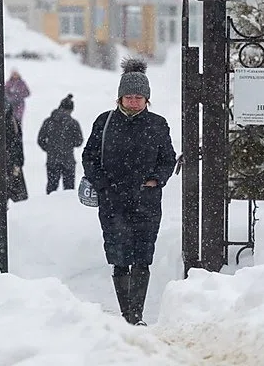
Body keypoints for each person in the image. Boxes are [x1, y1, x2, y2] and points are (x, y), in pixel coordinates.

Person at [81, 58, 177, 326]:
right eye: (129, 96)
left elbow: (168, 159)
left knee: (142, 258)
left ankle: (137, 315)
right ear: (119, 98)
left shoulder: (157, 124)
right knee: (119, 257)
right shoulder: (105, 122)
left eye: (139, 97)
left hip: (146, 201)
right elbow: (89, 156)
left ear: (147, 99)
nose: (134, 101)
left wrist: (156, 180)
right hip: (112, 201)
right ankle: (127, 315)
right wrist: (101, 184)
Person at [37, 94, 84, 194]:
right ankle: (67, 208)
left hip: (52, 160)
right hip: (68, 160)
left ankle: (49, 207)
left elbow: (40, 139)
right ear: (71, 109)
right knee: (69, 189)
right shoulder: (73, 123)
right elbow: (79, 141)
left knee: (52, 187)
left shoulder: (48, 121)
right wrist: (69, 144)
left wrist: (49, 149)